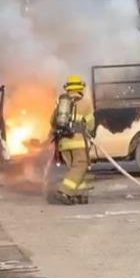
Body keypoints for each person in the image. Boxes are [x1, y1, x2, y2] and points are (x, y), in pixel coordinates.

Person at [51, 75, 96, 205]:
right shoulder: (86, 103)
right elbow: (91, 124)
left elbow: (52, 122)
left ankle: (79, 195)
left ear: (68, 89)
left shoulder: (61, 105)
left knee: (74, 169)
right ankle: (64, 191)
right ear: (80, 88)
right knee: (80, 166)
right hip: (79, 142)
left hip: (63, 144)